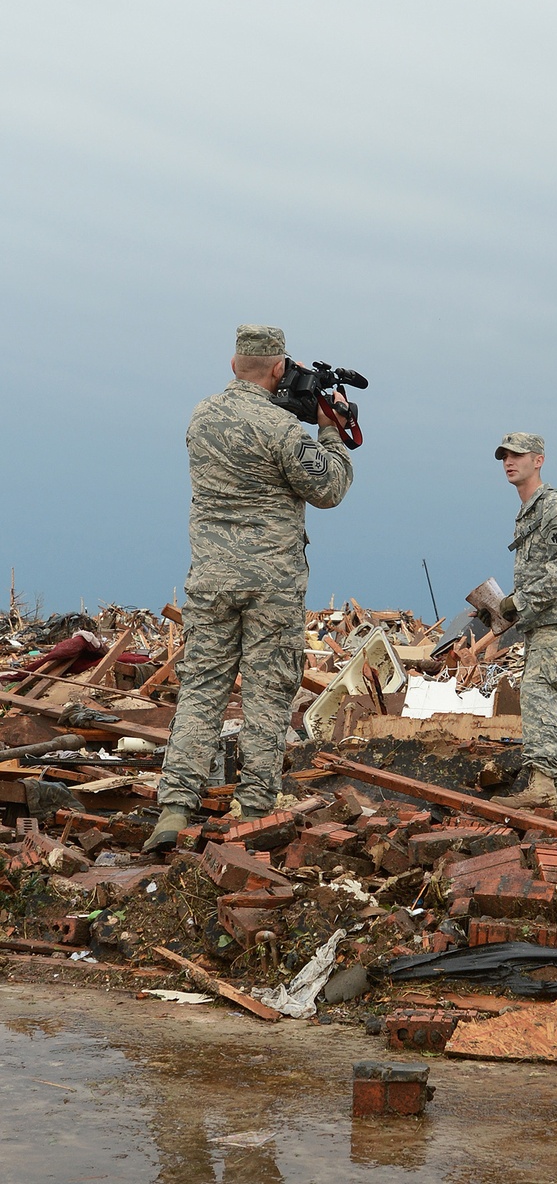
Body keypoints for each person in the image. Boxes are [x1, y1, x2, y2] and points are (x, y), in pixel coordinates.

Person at [143, 325, 354, 852]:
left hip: (211, 578)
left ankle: (173, 811)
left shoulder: (201, 416)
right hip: (270, 582)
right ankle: (256, 809)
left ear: (233, 364)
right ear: (279, 370)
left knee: (201, 689)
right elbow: (328, 489)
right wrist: (332, 431)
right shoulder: (281, 429)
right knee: (266, 690)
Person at [491, 432, 557, 814]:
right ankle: (556, 793)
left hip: (554, 622)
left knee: (538, 694)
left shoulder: (554, 505)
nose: (509, 462)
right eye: (505, 457)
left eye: (518, 455)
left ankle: (542, 785)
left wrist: (522, 601)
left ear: (539, 460)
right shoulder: (529, 510)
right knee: (545, 696)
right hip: (539, 622)